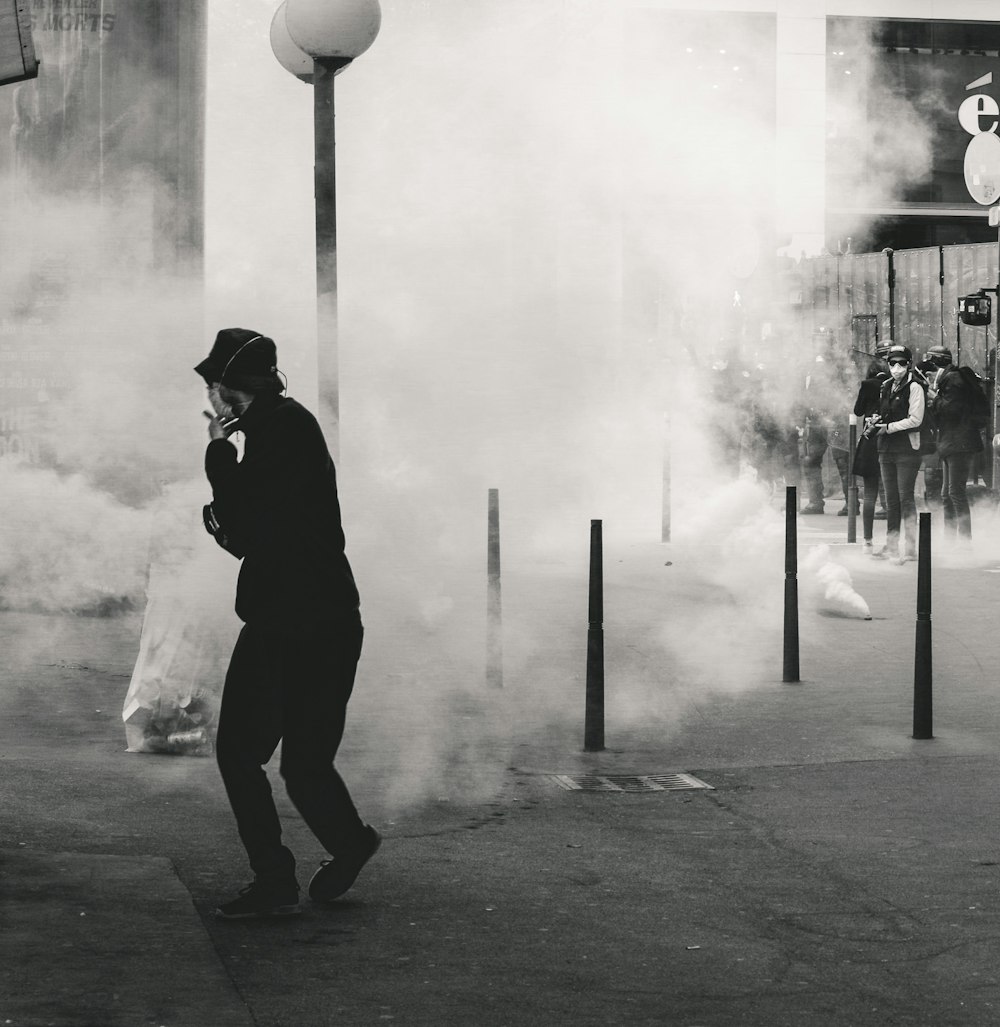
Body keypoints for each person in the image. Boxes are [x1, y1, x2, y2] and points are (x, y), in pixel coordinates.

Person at [194, 328, 380, 920]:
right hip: (325, 622)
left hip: (287, 622)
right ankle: (349, 845)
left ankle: (275, 878)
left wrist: (218, 453)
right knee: (304, 762)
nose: (211, 398)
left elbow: (245, 530)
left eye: (214, 387)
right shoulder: (282, 426)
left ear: (230, 390)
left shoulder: (278, 434)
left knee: (240, 755)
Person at [871, 344, 925, 562]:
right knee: (891, 500)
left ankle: (911, 546)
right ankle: (892, 545)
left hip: (907, 450)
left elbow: (916, 419)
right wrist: (875, 421)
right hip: (886, 448)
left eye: (901, 363)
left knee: (905, 497)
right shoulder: (885, 386)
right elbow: (883, 412)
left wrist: (888, 427)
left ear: (908, 364)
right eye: (892, 363)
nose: (896, 367)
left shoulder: (915, 387)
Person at [926, 345, 984, 543]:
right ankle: (950, 538)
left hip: (960, 442)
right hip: (952, 442)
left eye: (930, 370)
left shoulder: (953, 380)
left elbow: (952, 410)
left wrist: (934, 399)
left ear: (937, 365)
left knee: (955, 492)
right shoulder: (950, 379)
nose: (929, 375)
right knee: (946, 494)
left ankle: (964, 541)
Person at [852, 358, 889, 553]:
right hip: (887, 439)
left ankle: (867, 541)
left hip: (869, 440)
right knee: (889, 491)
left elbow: (857, 410)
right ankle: (893, 539)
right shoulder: (892, 385)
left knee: (869, 493)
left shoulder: (867, 385)